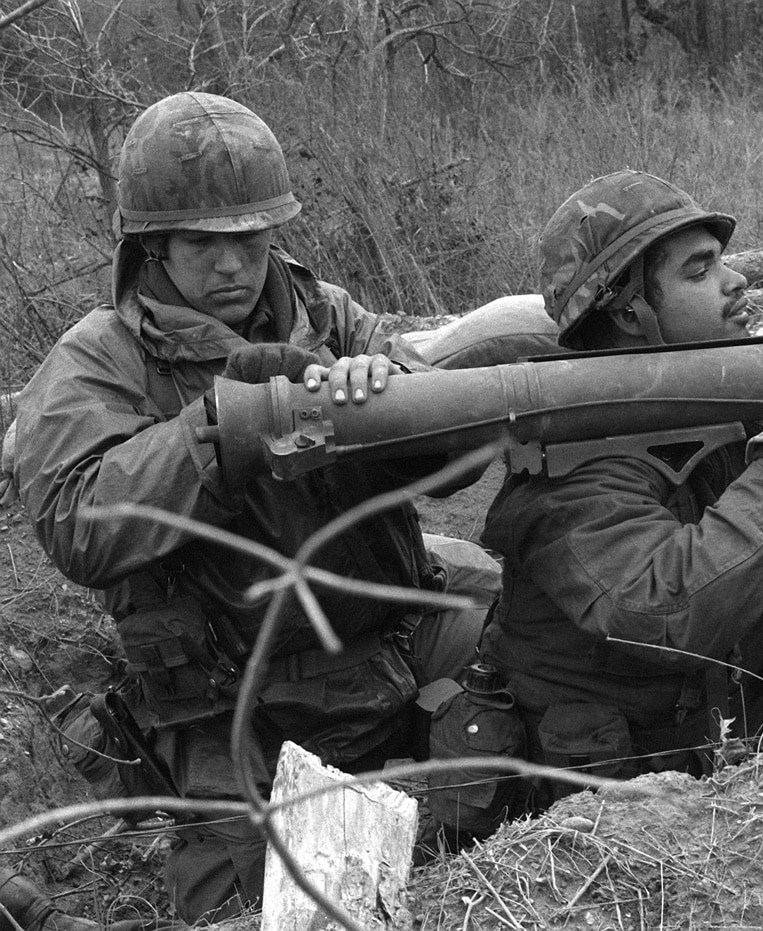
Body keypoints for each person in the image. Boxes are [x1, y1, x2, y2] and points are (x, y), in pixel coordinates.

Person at [12, 92, 486, 923]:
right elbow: (77, 521)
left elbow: (459, 450)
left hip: (389, 649)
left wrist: (392, 402)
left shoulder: (329, 314)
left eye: (251, 240)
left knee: (547, 685)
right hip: (239, 711)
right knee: (252, 909)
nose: (233, 266)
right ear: (152, 245)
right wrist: (221, 427)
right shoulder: (100, 360)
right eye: (203, 244)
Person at [466, 170, 763, 826]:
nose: (736, 282)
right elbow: (671, 610)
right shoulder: (566, 472)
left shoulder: (714, 416)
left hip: (716, 762)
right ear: (629, 312)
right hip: (589, 830)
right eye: (700, 270)